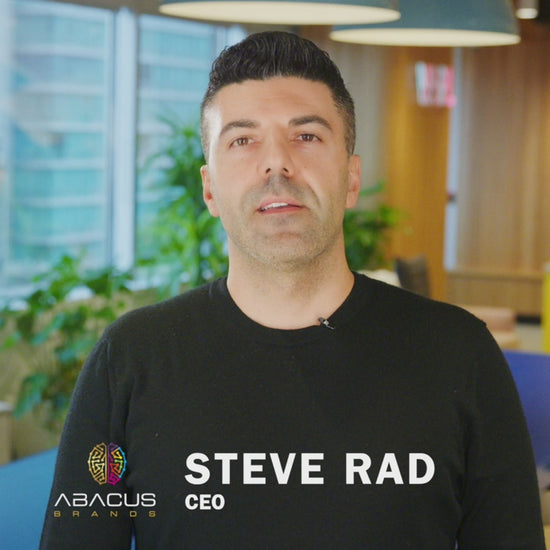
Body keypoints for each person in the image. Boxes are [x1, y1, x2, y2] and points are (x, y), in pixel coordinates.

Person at [40, 31, 545, 549]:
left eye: (306, 136)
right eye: (242, 140)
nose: (276, 163)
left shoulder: (458, 353)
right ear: (210, 188)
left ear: (351, 179)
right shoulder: (132, 358)